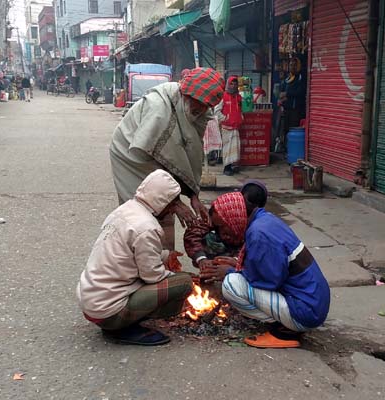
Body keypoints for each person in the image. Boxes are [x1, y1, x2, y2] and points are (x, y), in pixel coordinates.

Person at [109, 67, 226, 248]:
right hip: (132, 155)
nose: (202, 109)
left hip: (156, 157)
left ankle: (165, 254)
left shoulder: (200, 112)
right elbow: (152, 158)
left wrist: (193, 194)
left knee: (165, 208)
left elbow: (191, 152)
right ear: (186, 95)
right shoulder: (159, 109)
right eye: (199, 104)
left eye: (207, 106)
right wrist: (175, 201)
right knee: (141, 209)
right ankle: (135, 255)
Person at [77, 170, 194, 346]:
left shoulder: (125, 210)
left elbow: (130, 253)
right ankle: (122, 327)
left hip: (91, 303)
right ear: (162, 202)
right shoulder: (148, 227)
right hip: (108, 313)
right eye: (171, 205)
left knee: (171, 275)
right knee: (184, 282)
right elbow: (152, 276)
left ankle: (120, 322)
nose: (171, 211)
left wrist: (165, 256)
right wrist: (175, 275)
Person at [200, 192, 330, 349]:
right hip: (312, 302)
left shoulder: (258, 234)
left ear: (233, 217)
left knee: (231, 285)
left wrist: (230, 272)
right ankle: (286, 321)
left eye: (221, 226)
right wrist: (237, 265)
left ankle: (286, 330)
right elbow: (271, 267)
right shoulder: (264, 219)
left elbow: (268, 282)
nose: (221, 233)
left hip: (306, 312)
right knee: (235, 278)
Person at [184, 180, 268, 269]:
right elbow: (193, 233)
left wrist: (236, 261)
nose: (248, 207)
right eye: (245, 201)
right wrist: (201, 258)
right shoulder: (221, 211)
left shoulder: (256, 230)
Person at [217, 76, 243, 176]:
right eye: (231, 83)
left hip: (235, 127)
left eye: (235, 83)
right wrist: (225, 118)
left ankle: (231, 166)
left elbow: (240, 109)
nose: (234, 85)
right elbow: (217, 110)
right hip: (226, 127)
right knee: (227, 148)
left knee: (235, 148)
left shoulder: (238, 97)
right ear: (228, 84)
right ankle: (226, 168)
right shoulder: (223, 96)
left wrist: (241, 118)